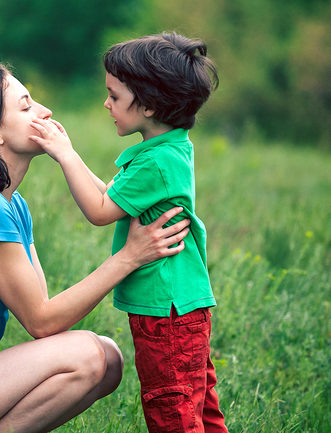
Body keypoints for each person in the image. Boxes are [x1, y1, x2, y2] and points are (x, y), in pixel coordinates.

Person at [0, 59, 191, 433]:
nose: (45, 112)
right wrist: (129, 258)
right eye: (26, 106)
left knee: (107, 359)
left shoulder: (10, 204)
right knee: (88, 355)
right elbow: (42, 322)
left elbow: (41, 310)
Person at [28, 33, 228, 433]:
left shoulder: (156, 162)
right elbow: (114, 197)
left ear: (150, 105)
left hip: (167, 314)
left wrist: (64, 155)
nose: (107, 104)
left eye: (114, 97)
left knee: (172, 411)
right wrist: (71, 151)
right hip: (181, 308)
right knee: (198, 406)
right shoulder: (167, 150)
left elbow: (101, 211)